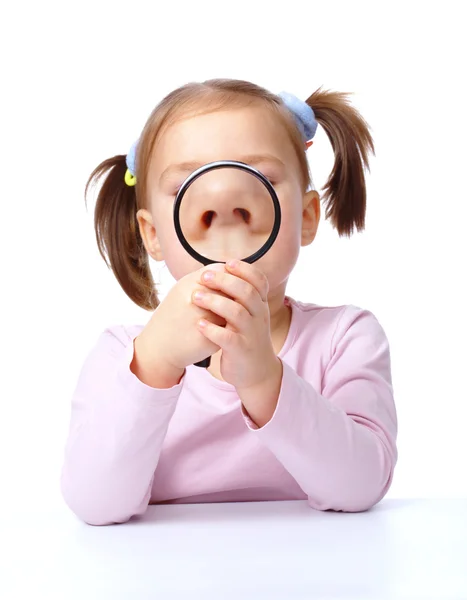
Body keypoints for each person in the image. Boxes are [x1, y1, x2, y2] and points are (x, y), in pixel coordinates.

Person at [60, 79, 398, 526]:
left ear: (306, 217)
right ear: (154, 234)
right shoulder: (122, 357)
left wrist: (263, 379)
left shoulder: (345, 338)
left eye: (261, 178)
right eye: (186, 186)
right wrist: (156, 364)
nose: (223, 202)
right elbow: (95, 504)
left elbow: (361, 486)